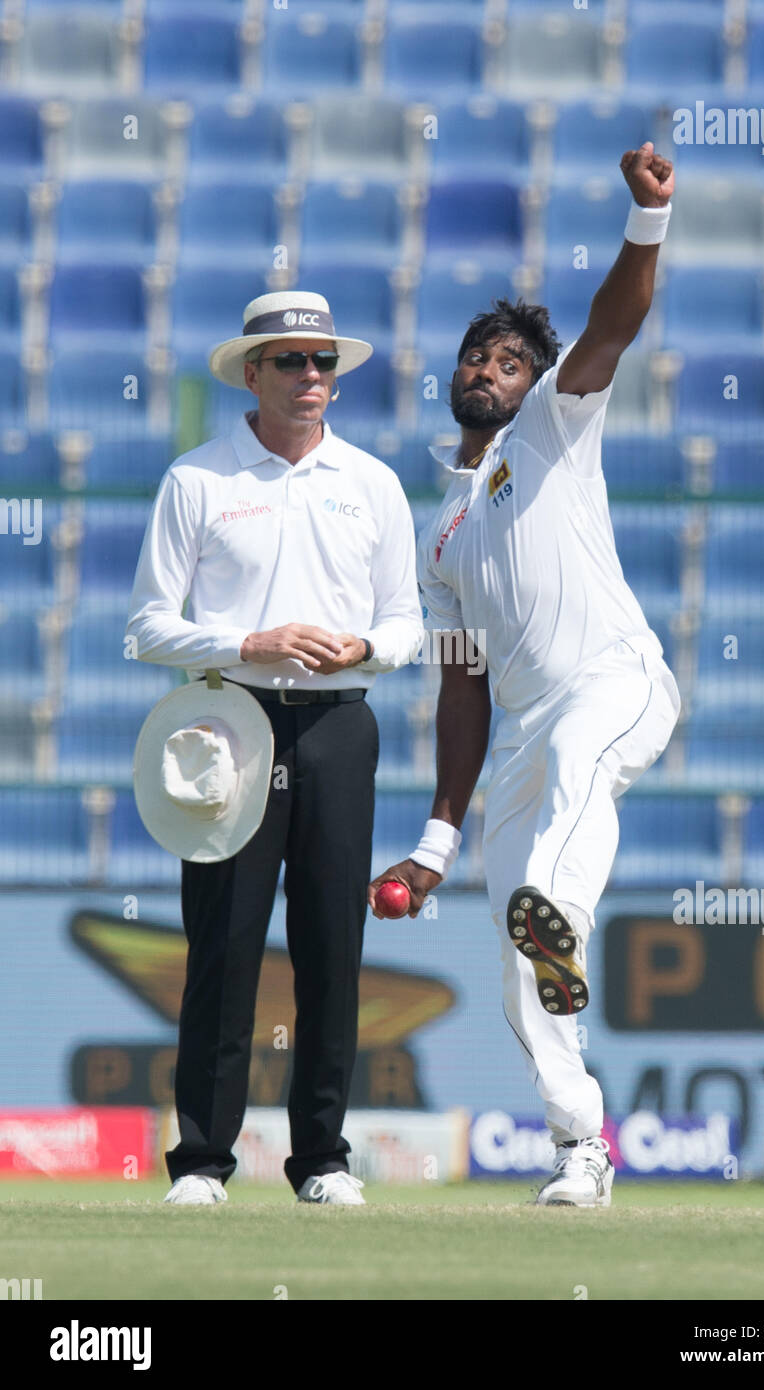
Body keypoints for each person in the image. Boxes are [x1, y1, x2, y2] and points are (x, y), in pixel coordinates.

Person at [369, 143, 681, 1208]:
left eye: (509, 359)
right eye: (478, 357)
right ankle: (580, 1150)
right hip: (518, 740)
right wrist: (434, 843)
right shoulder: (438, 537)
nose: (490, 370)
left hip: (613, 682)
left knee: (553, 868)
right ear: (452, 375)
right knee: (519, 959)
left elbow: (613, 325)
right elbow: (461, 689)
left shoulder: (554, 420)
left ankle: (560, 909)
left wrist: (647, 222)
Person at [126, 291, 424, 1206]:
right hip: (228, 721)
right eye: (291, 361)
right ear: (248, 373)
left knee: (334, 947)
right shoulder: (199, 479)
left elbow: (407, 620)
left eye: (323, 361)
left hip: (339, 719)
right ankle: (204, 1162)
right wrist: (245, 644)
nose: (311, 377)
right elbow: (144, 627)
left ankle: (323, 1160)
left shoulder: (370, 481)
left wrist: (365, 648)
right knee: (223, 945)